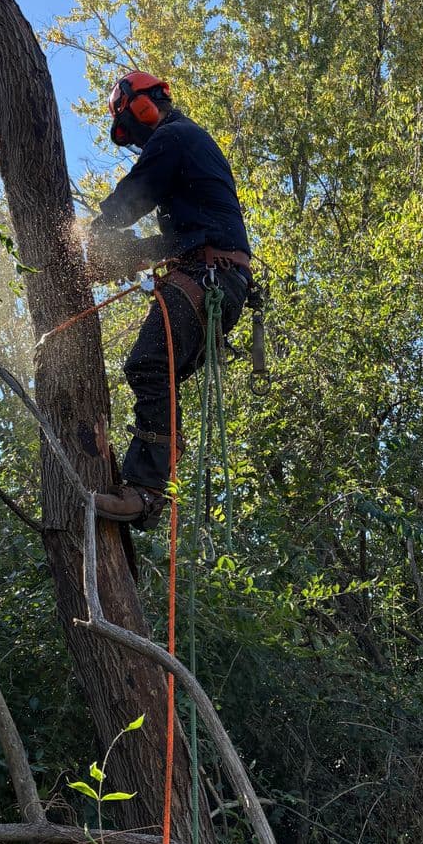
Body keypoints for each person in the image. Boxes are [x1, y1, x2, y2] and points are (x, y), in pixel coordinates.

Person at [87, 71, 252, 529]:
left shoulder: (175, 137)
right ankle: (153, 477)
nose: (138, 140)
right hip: (213, 272)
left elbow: (130, 198)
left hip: (208, 275)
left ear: (146, 104)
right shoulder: (187, 147)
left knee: (147, 365)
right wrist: (120, 260)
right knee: (159, 374)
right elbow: (178, 239)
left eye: (135, 127)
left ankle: (146, 490)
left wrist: (96, 234)